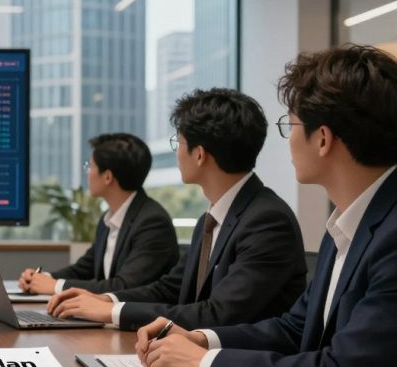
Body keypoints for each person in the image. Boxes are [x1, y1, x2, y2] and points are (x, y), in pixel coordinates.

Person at [136, 45, 397, 367]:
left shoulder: (391, 234)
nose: (288, 142)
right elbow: (296, 328)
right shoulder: (350, 221)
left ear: (322, 138)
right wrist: (201, 340)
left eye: (290, 126)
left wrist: (204, 365)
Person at [48, 88, 306, 331]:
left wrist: (112, 312)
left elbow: (219, 314)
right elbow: (169, 288)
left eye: (179, 143)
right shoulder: (211, 219)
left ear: (200, 154)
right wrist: (106, 300)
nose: (177, 153)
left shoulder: (266, 221)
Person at [18, 133, 178, 295]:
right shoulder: (108, 219)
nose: (88, 173)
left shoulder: (152, 222)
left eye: (90, 166)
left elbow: (124, 286)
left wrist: (55, 286)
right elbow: (83, 269)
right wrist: (41, 278)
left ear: (107, 177)